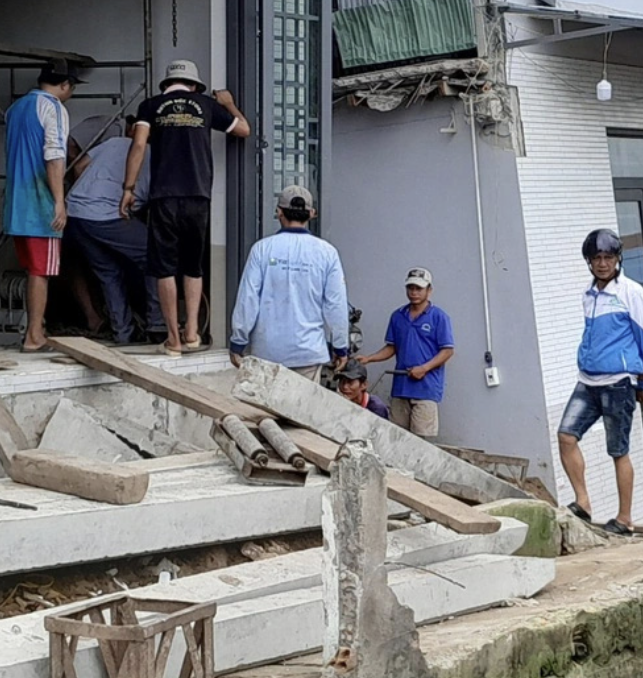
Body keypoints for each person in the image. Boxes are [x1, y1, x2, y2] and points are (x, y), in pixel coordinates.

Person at [122, 59, 248, 356]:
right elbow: (243, 129)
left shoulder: (150, 106)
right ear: (194, 85)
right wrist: (229, 104)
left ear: (167, 84)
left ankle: (173, 340)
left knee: (164, 269)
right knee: (193, 266)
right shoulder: (206, 105)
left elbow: (138, 146)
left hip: (163, 197)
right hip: (198, 196)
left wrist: (128, 188)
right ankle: (191, 332)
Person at [556, 227, 643, 534]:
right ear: (589, 261)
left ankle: (625, 519)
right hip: (587, 381)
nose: (603, 263)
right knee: (566, 436)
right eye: (596, 258)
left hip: (618, 382)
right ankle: (583, 502)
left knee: (618, 451)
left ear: (618, 259)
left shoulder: (631, 292)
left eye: (608, 257)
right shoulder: (589, 295)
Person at [228, 184, 349, 378]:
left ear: (279, 212)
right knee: (303, 408)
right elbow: (336, 305)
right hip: (309, 353)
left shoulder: (262, 249)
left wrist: (238, 341)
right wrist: (340, 346)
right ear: (312, 214)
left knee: (263, 408)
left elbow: (247, 299)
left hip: (267, 353)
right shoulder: (327, 253)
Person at [3, 60, 78, 352]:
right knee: (40, 272)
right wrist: (59, 201)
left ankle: (36, 329)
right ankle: (34, 335)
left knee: (31, 269)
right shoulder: (54, 108)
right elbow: (55, 155)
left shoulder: (15, 108)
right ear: (64, 85)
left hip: (15, 202)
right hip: (38, 201)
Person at [61, 129, 161, 345]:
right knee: (156, 255)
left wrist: (90, 194)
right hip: (106, 216)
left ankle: (123, 333)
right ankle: (157, 326)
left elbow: (79, 166)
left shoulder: (115, 142)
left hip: (75, 213)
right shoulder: (156, 157)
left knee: (108, 273)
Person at [356, 267, 454, 439]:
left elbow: (447, 351)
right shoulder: (397, 316)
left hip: (426, 388)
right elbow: (392, 347)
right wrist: (369, 358)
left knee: (421, 441)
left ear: (429, 291)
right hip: (401, 386)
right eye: (411, 288)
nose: (414, 292)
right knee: (396, 438)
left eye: (418, 288)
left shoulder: (439, 317)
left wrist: (424, 368)